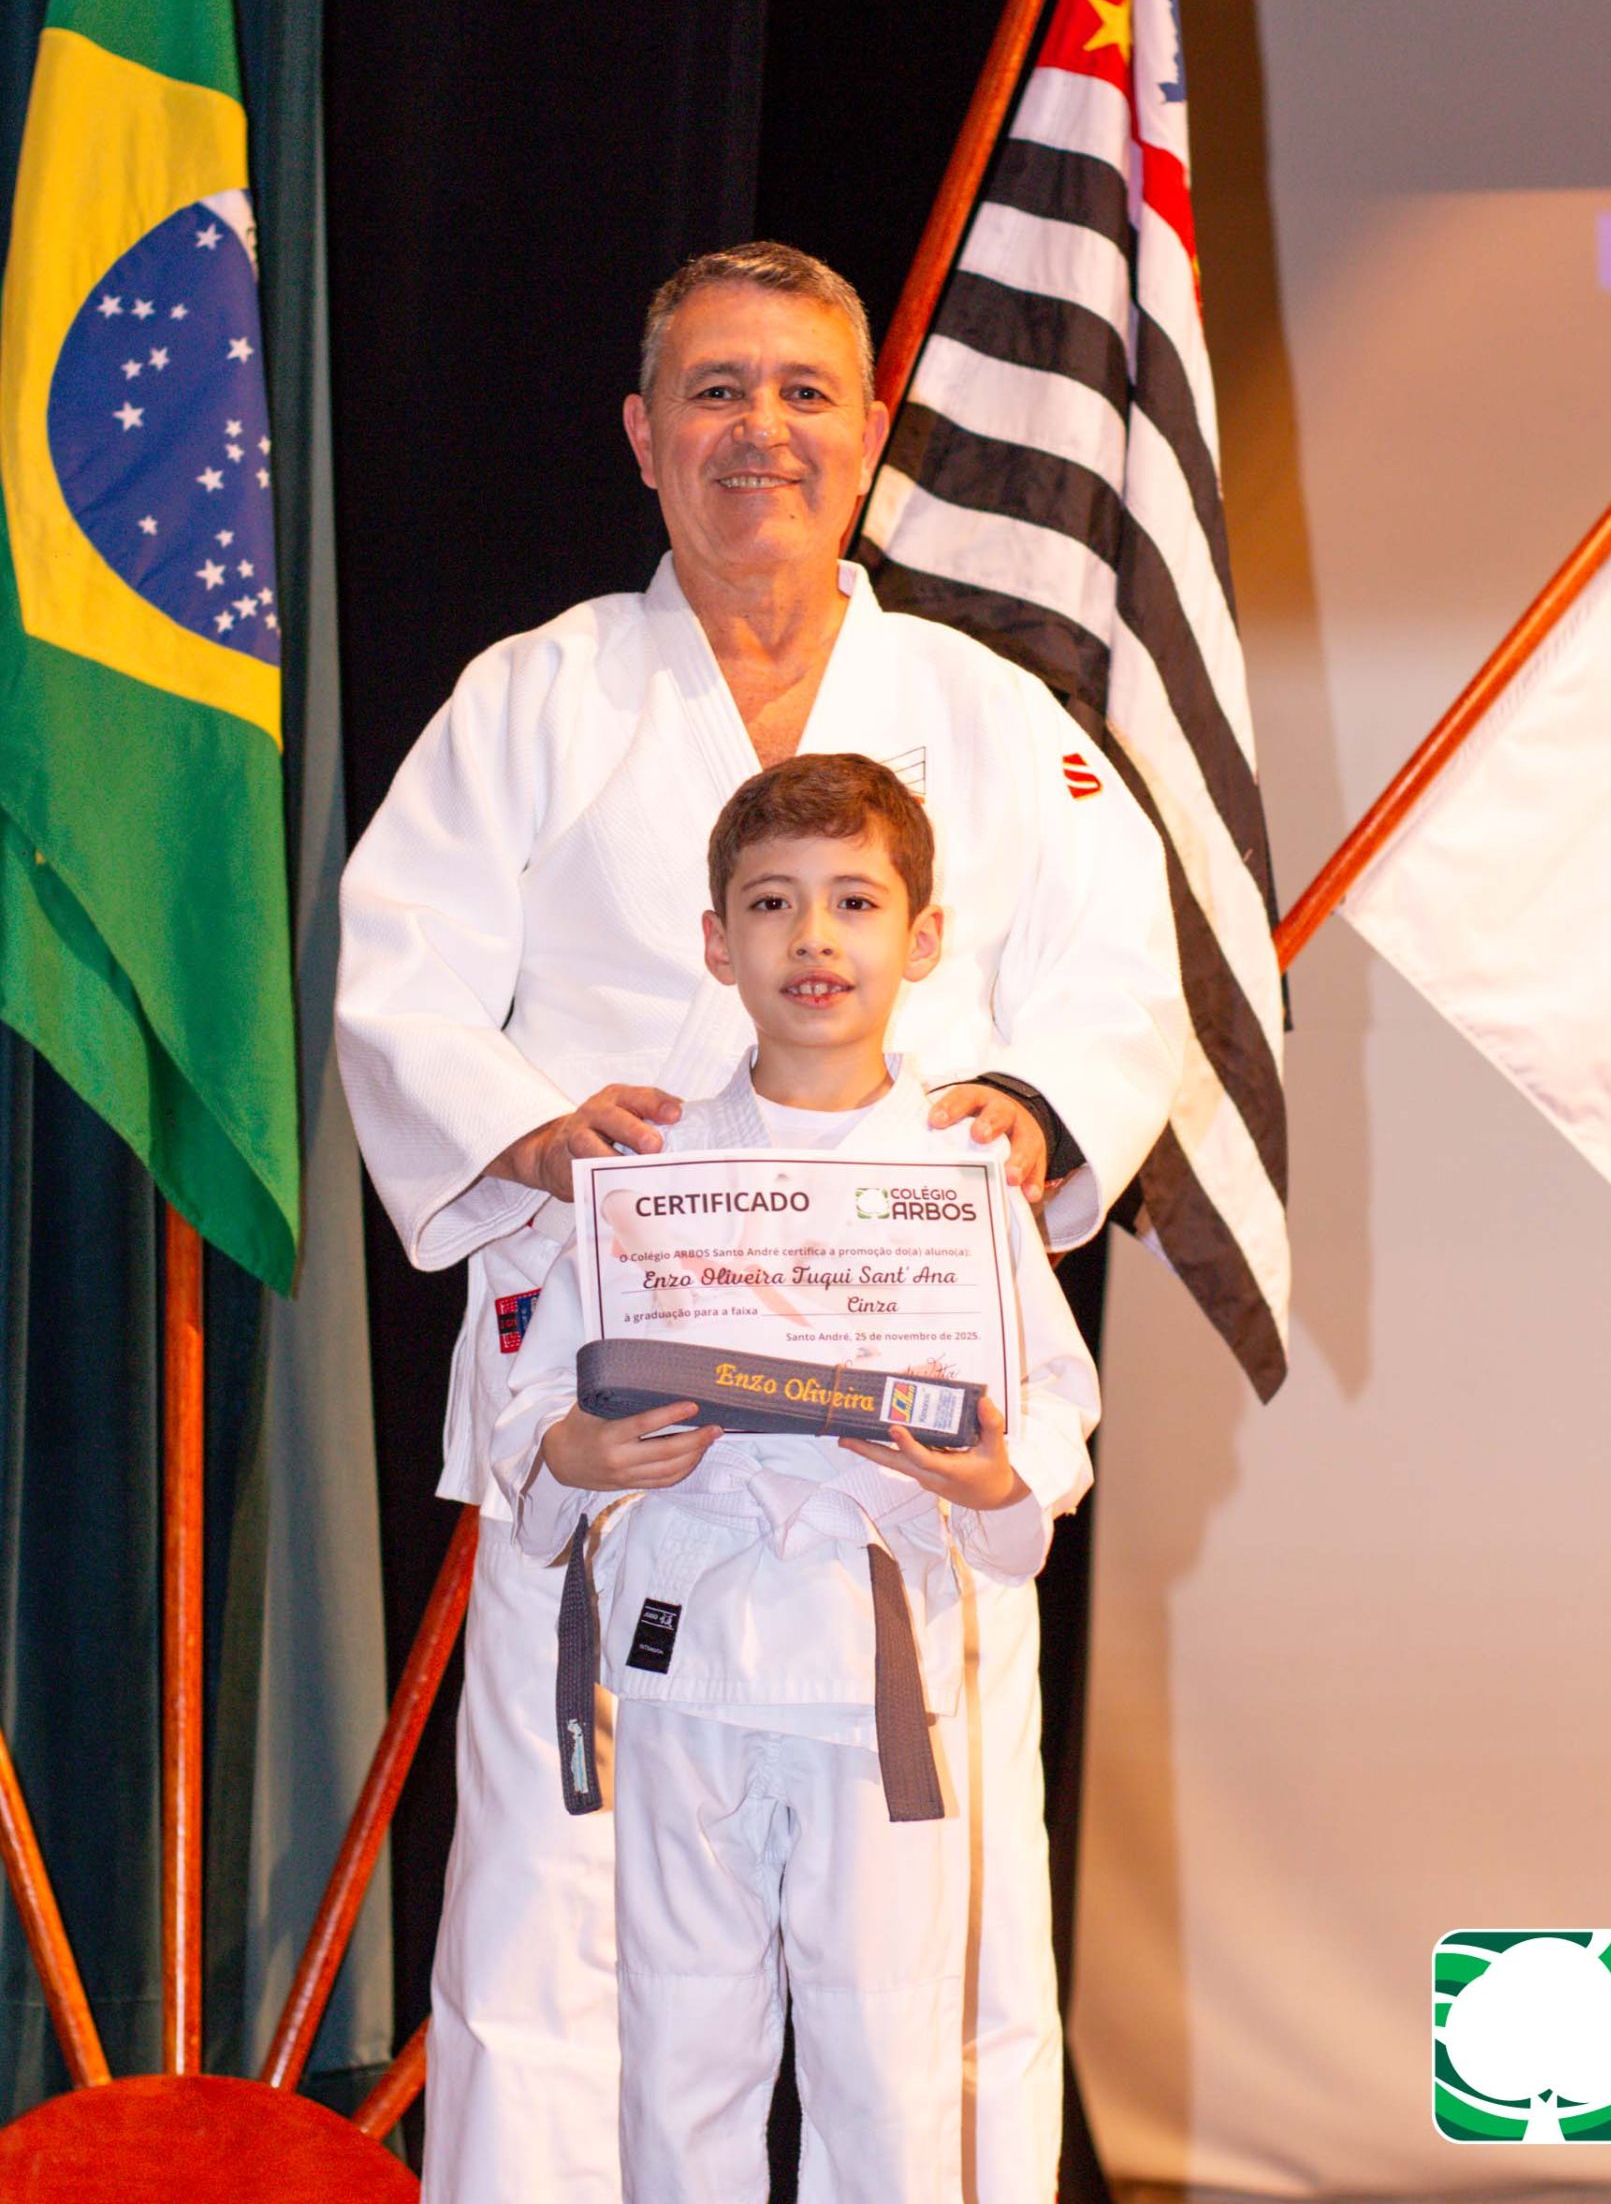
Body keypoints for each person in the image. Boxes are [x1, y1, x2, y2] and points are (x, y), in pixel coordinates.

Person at [335, 240, 1185, 2203]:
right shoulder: (529, 700)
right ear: (643, 435)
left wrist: (1035, 1108)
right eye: (714, 390)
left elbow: (1117, 980)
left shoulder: (990, 713)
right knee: (560, 1922)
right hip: (625, 1418)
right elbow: (397, 975)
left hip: (897, 1450)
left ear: (870, 434)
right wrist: (526, 1129)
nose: (761, 431)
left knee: (939, 1959)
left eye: (804, 392)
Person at [488, 754, 1100, 2202]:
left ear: (923, 940)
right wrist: (576, 1454)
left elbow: (1055, 1412)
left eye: (855, 902)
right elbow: (541, 1407)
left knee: (887, 2068)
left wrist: (992, 1479)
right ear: (717, 943)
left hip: (872, 1674)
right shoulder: (653, 1168)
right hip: (683, 1664)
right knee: (678, 2056)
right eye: (771, 904)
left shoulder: (963, 1176)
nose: (813, 938)